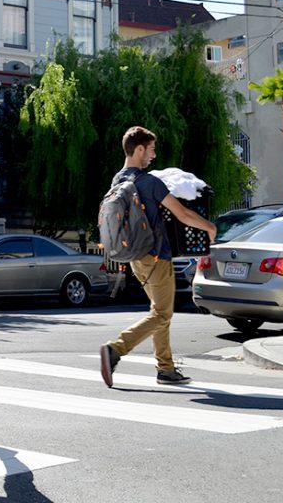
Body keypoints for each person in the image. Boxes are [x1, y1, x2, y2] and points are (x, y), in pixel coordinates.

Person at [99, 125, 217, 388]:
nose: (153, 155)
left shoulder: (118, 180)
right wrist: (210, 227)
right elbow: (182, 214)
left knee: (158, 312)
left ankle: (165, 368)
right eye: (150, 150)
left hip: (135, 257)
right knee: (162, 314)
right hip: (155, 257)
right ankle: (115, 349)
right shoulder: (150, 182)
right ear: (139, 149)